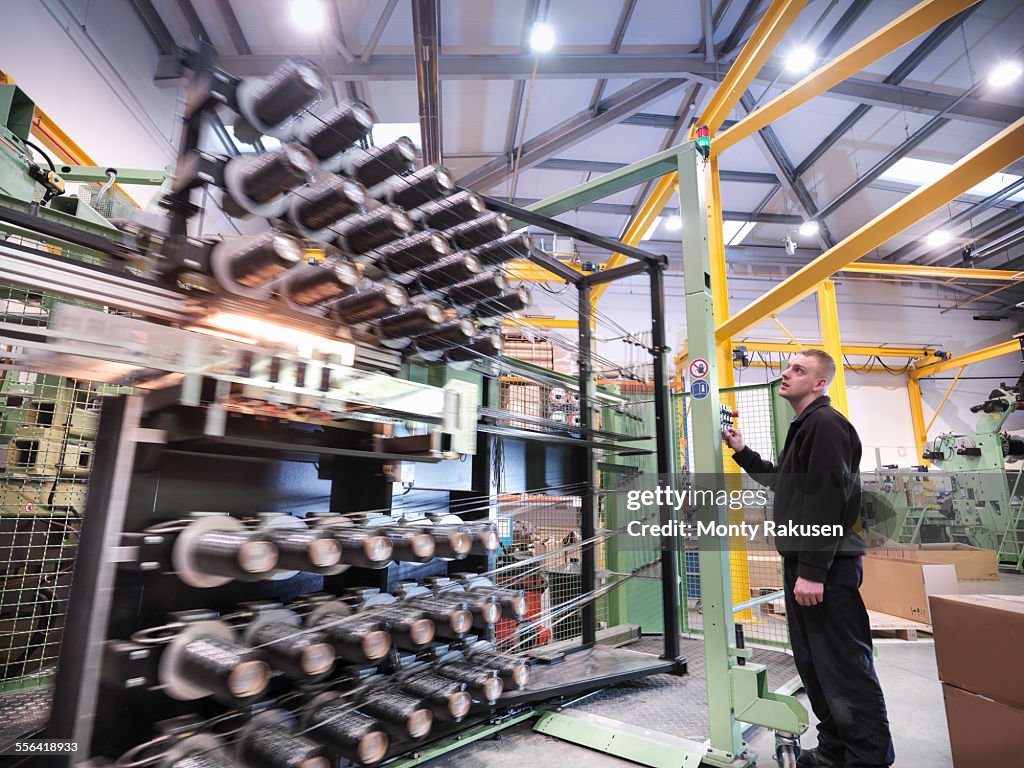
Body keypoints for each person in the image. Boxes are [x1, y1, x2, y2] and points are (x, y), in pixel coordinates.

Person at [722, 349, 894, 768]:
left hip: (826, 568)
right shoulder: (805, 428)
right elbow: (788, 484)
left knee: (842, 667)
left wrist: (814, 572)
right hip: (807, 563)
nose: (786, 373)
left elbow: (827, 499)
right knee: (816, 666)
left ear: (820, 383)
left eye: (798, 369)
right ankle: (836, 748)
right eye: (788, 366)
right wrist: (743, 450)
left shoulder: (826, 425)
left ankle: (867, 757)